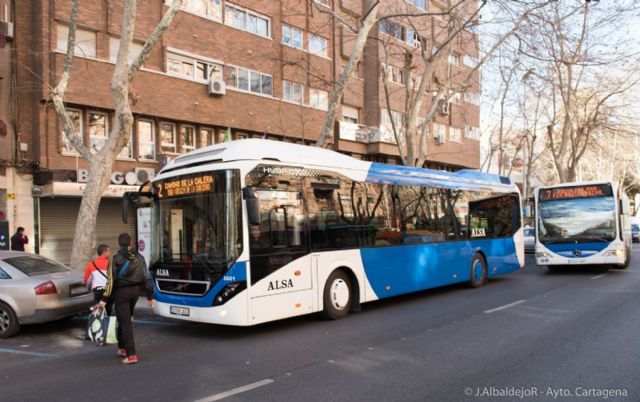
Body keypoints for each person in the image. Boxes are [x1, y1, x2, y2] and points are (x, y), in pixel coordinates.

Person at [98, 233, 153, 365]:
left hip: (121, 293)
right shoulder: (140, 257)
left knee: (125, 323)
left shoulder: (115, 259)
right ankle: (122, 348)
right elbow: (147, 277)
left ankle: (131, 354)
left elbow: (110, 281)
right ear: (130, 243)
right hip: (135, 292)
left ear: (119, 243)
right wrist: (150, 296)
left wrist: (104, 299)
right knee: (124, 320)